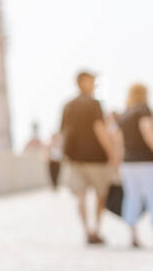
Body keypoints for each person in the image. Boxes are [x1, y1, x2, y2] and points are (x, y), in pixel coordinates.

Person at [58, 70, 117, 245]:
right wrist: (111, 153)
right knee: (101, 194)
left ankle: (86, 230)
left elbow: (63, 132)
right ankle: (96, 229)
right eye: (91, 81)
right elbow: (100, 129)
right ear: (83, 82)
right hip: (96, 159)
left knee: (81, 196)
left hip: (75, 159)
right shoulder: (94, 104)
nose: (94, 84)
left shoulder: (68, 105)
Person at [115, 83, 153, 248]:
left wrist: (117, 161)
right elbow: (146, 131)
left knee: (132, 197)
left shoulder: (125, 114)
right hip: (146, 161)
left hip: (127, 163)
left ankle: (133, 235)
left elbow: (117, 140)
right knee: (151, 197)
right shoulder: (144, 110)